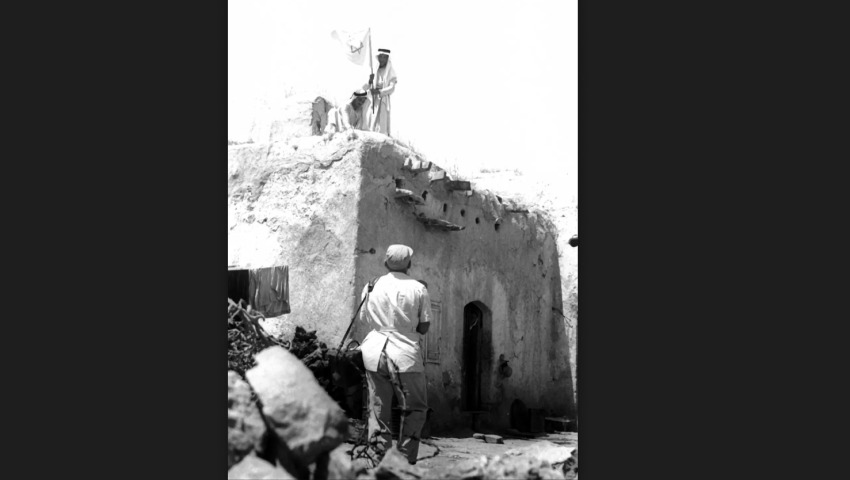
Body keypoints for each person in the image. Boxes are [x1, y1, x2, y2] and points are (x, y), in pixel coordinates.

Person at [358, 244, 431, 465]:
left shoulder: (371, 285)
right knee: (415, 408)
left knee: (378, 409)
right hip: (405, 354)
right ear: (409, 264)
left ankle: (379, 459)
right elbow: (424, 326)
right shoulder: (418, 288)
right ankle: (405, 459)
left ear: (385, 263)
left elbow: (364, 319)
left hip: (374, 351)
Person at [364, 48, 397, 136]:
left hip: (383, 99)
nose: (382, 59)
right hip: (373, 100)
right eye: (380, 57)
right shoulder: (374, 71)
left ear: (387, 59)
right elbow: (366, 87)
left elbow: (392, 88)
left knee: (382, 121)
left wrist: (380, 92)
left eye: (384, 57)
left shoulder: (391, 72)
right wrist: (370, 81)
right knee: (371, 118)